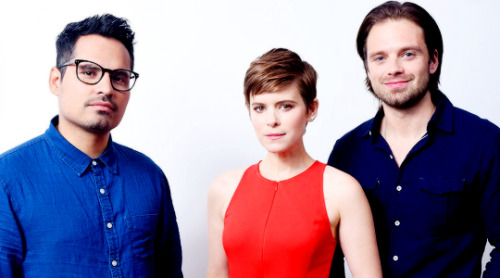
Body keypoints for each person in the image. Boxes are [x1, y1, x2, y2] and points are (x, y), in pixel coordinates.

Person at [0, 14, 183, 277]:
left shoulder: (149, 176)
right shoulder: (8, 177)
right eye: (89, 72)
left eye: (119, 77)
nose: (106, 88)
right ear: (56, 80)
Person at [328, 1, 500, 277]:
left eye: (408, 54)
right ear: (368, 68)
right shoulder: (347, 151)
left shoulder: (484, 141)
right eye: (380, 57)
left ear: (433, 61)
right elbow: (329, 254)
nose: (393, 68)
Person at [206, 48, 382, 278]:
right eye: (260, 107)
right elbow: (217, 272)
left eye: (285, 106)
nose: (272, 121)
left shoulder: (342, 190)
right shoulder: (224, 189)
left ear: (311, 109)